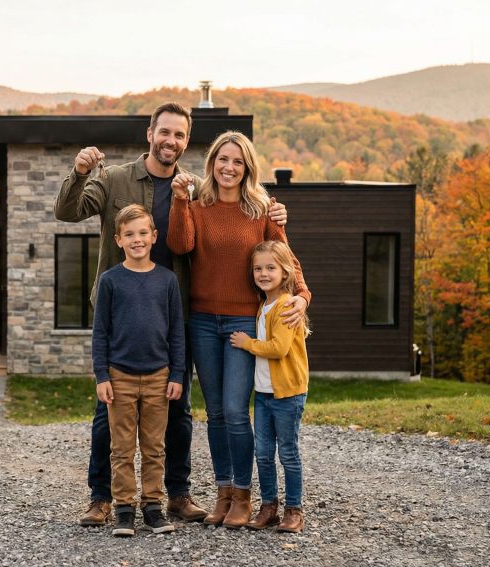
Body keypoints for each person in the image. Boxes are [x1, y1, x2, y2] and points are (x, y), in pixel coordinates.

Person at [56, 103, 289, 527]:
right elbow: (67, 212)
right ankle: (101, 497)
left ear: (187, 141)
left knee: (178, 408)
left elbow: (236, 221)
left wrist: (275, 211)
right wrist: (78, 171)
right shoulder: (114, 179)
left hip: (177, 312)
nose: (171, 141)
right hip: (122, 312)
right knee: (109, 410)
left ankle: (177, 495)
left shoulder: (198, 189)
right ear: (150, 133)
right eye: (164, 132)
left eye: (180, 135)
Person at [167, 131, 310, 529]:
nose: (229, 168)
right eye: (222, 160)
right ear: (212, 162)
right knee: (214, 414)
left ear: (247, 168)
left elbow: (286, 258)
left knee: (234, 410)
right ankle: (224, 493)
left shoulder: (262, 209)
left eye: (238, 162)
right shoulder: (197, 205)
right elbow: (180, 245)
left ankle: (244, 496)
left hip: (244, 322)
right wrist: (180, 202)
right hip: (202, 320)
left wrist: (302, 294)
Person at [92, 204, 184, 536]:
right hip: (120, 376)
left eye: (143, 233)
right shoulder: (111, 281)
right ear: (118, 239)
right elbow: (100, 331)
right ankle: (124, 509)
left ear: (154, 236)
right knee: (121, 447)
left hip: (159, 375)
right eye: (129, 234)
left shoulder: (167, 280)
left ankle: (154, 507)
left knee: (154, 446)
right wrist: (102, 375)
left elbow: (176, 331)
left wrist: (176, 375)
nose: (137, 239)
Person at [230, 241, 310, 534]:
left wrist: (246, 343)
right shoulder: (264, 304)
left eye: (270, 268)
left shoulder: (287, 304)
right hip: (264, 394)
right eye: (258, 268)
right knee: (263, 453)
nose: (263, 273)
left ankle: (294, 510)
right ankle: (269, 507)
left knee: (287, 452)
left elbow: (279, 348)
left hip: (287, 393)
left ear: (285, 270)